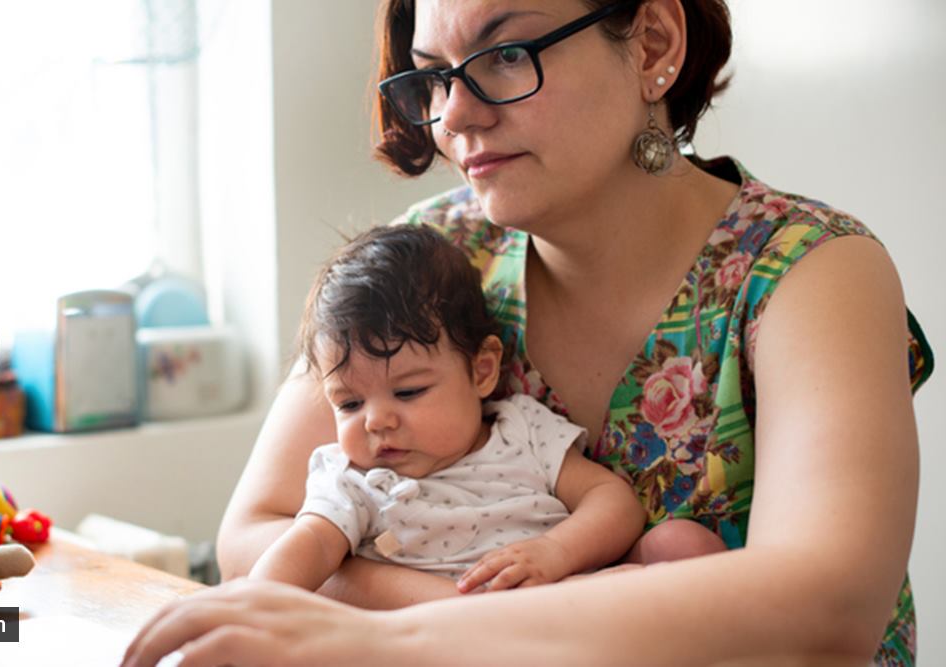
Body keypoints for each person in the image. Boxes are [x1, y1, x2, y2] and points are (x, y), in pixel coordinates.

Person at [124, 0, 932, 665]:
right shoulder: (439, 257)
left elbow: (826, 610)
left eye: (506, 54)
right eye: (435, 77)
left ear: (653, 42)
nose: (455, 116)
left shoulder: (811, 269)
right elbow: (253, 535)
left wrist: (395, 633)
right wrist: (470, 619)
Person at [250, 225, 694, 594]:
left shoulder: (521, 429)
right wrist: (249, 608)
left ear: (482, 371)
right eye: (349, 403)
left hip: (567, 605)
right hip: (444, 640)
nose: (376, 420)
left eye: (408, 393)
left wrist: (557, 551)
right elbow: (304, 550)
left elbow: (612, 500)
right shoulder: (353, 481)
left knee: (679, 544)